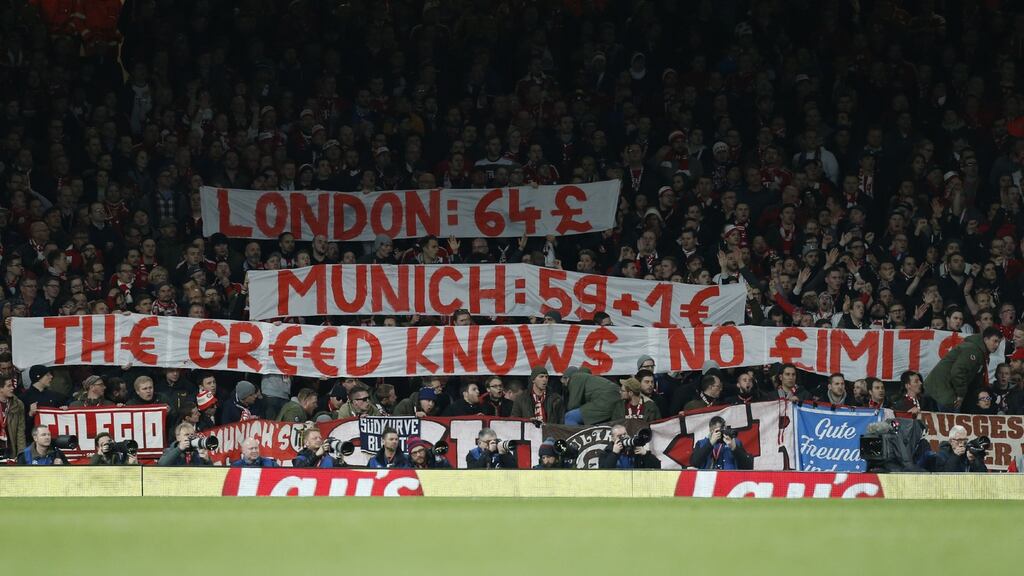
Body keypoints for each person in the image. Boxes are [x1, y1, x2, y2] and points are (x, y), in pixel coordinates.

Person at [924, 328, 1003, 411]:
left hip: (937, 387)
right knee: (952, 422)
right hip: (944, 390)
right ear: (986, 339)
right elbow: (958, 372)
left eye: (999, 342)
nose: (997, 345)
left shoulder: (978, 350)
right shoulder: (974, 350)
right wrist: (961, 394)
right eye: (995, 341)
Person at [689, 416, 754, 470]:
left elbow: (748, 467)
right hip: (708, 481)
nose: (723, 432)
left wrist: (735, 448)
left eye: (724, 429)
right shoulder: (702, 443)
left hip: (731, 480)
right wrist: (710, 443)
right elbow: (694, 463)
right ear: (711, 431)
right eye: (720, 430)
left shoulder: (735, 442)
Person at [1, 374, 26, 459]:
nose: (12, 388)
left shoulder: (18, 404)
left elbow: (20, 430)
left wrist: (21, 453)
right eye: (9, 386)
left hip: (10, 450)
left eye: (12, 385)